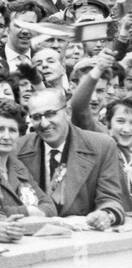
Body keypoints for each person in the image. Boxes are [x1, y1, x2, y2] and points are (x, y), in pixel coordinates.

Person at [17, 87, 128, 228]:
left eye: (51, 114)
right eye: (37, 117)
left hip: (83, 237)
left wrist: (105, 214)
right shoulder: (18, 149)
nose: (44, 123)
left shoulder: (102, 146)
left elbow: (110, 199)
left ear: (68, 112)